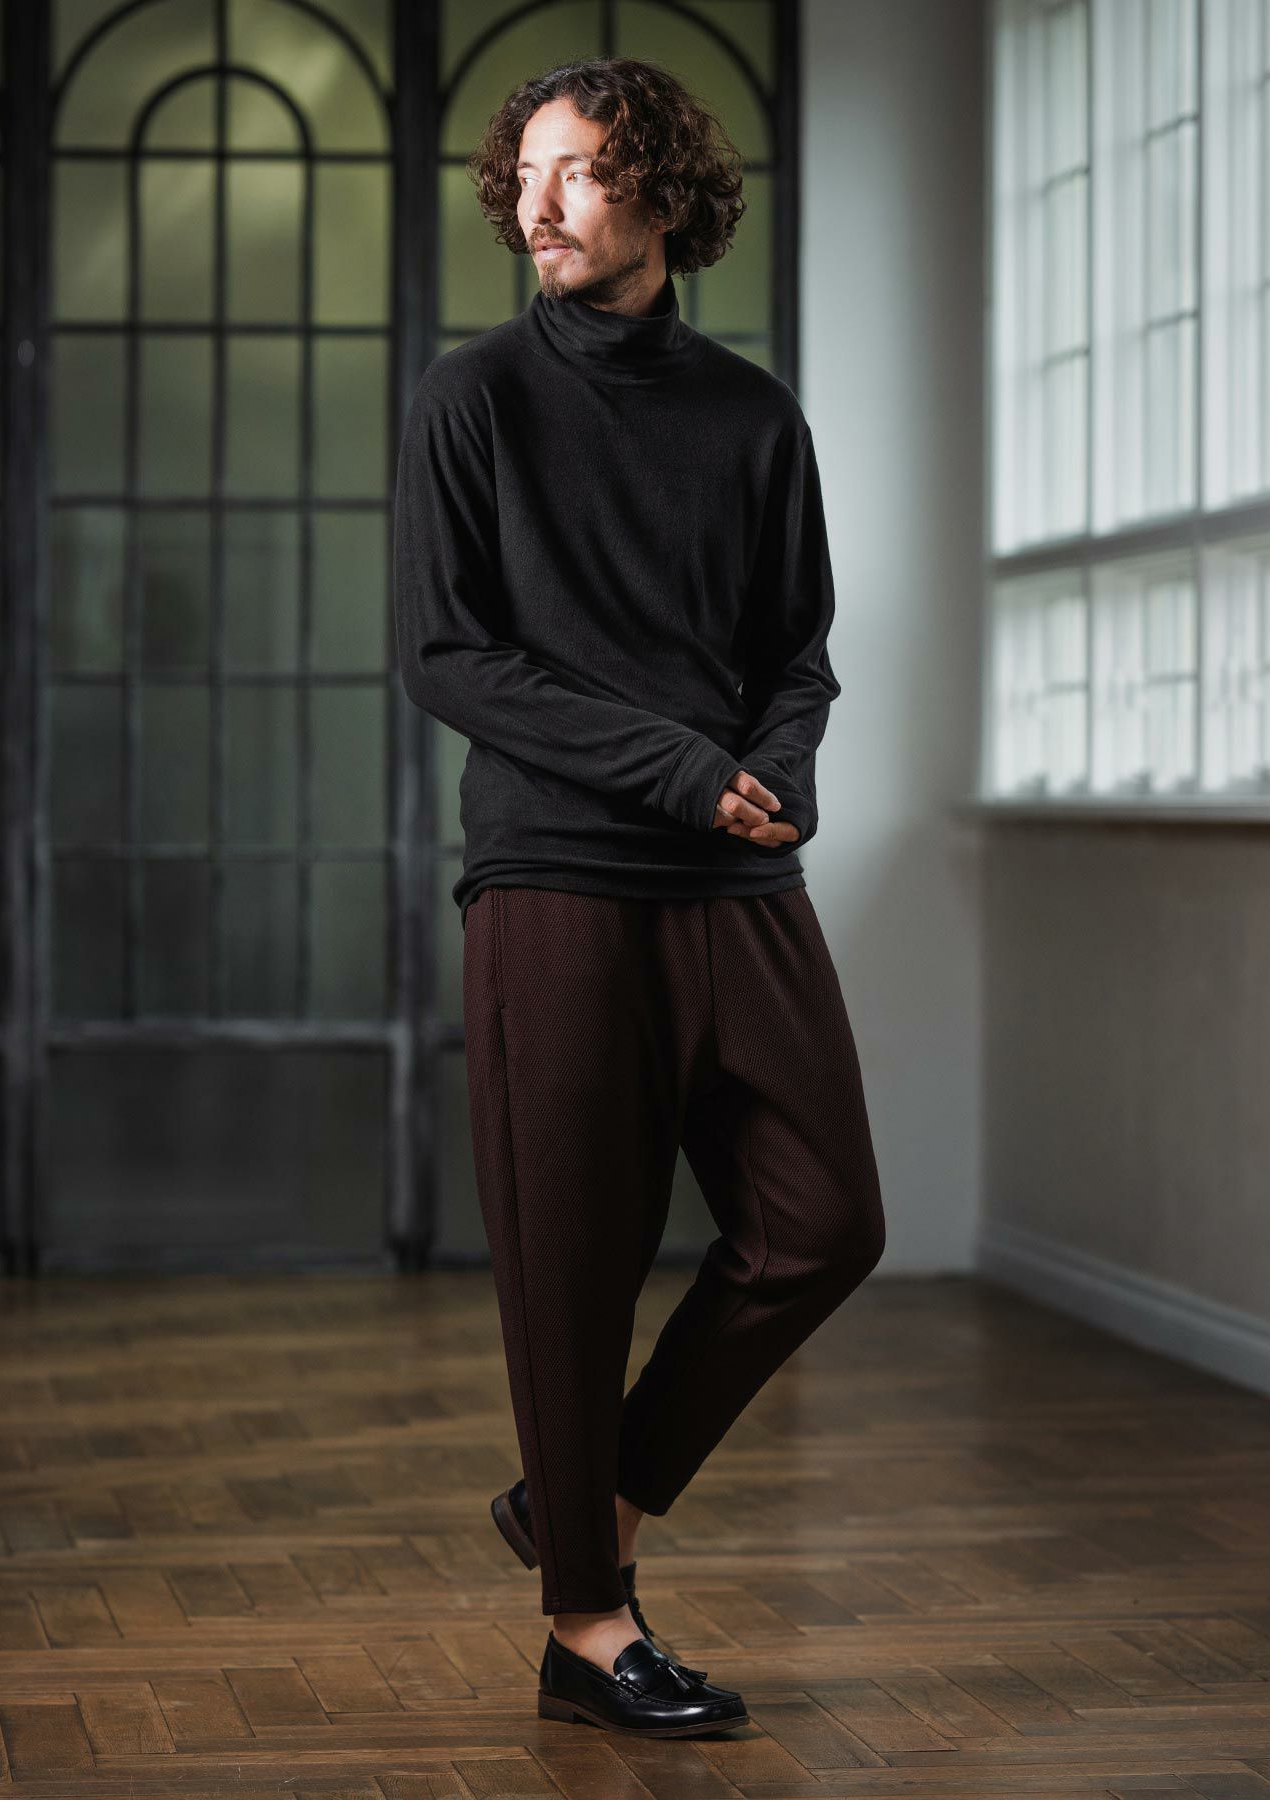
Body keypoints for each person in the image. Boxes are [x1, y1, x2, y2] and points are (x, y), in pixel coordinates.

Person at [393, 56, 885, 1737]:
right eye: (524, 174)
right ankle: (588, 1628)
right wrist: (678, 766)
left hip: (737, 876)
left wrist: (781, 771)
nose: (539, 205)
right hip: (556, 874)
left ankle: (582, 1508)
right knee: (574, 1261)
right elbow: (449, 657)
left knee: (825, 1222)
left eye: (583, 172)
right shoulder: (472, 401)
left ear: (663, 191)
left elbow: (798, 654)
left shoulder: (754, 418)